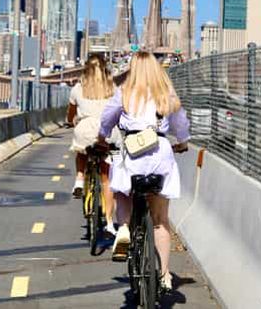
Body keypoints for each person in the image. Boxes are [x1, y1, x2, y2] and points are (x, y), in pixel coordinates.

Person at [99, 51, 189, 292]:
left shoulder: (125, 93)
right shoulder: (166, 94)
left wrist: (103, 135)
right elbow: (181, 123)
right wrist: (182, 142)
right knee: (160, 221)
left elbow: (108, 117)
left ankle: (125, 228)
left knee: (122, 190)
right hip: (160, 154)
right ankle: (165, 274)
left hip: (134, 154)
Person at [67, 54, 117, 236]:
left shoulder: (78, 89)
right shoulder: (113, 88)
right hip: (107, 132)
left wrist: (71, 120)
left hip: (85, 129)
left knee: (81, 150)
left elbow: (70, 112)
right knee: (107, 177)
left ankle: (80, 179)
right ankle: (110, 223)